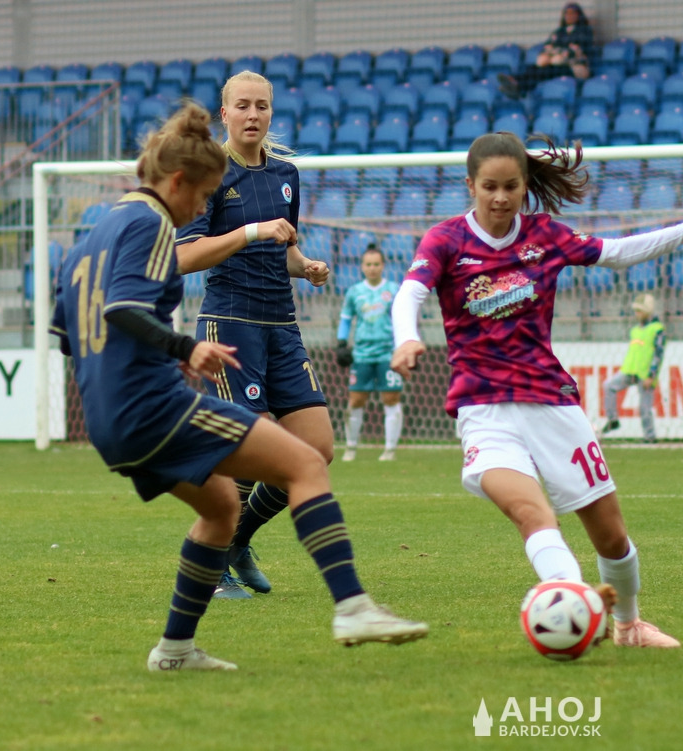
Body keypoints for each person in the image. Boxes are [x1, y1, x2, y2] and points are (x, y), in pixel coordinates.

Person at [49, 102, 428, 671]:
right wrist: (185, 349)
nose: (201, 209)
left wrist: (130, 367)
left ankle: (175, 651)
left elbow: (67, 334)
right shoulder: (149, 223)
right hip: (151, 406)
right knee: (306, 463)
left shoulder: (93, 235)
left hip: (108, 418)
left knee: (222, 509)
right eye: (203, 197)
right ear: (178, 181)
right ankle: (353, 607)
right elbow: (123, 308)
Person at [390, 132, 683, 647]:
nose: (500, 198)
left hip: (552, 403)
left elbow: (617, 253)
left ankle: (629, 625)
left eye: (511, 187)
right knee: (531, 513)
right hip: (484, 410)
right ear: (471, 185)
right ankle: (574, 601)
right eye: (489, 187)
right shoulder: (446, 241)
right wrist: (407, 338)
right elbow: (410, 294)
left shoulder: (544, 236)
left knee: (612, 537)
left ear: (525, 186)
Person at [175, 70, 334, 599]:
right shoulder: (210, 173)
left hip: (281, 325)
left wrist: (305, 266)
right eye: (242, 105)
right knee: (249, 445)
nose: (252, 115)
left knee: (316, 450)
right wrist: (250, 232)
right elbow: (184, 256)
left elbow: (284, 249)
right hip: (230, 324)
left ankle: (237, 540)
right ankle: (211, 562)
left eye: (261, 106)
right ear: (224, 114)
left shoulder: (286, 174)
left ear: (271, 112)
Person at [335, 244, 404, 462]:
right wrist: (342, 343)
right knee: (356, 399)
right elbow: (346, 319)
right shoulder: (354, 292)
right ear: (362, 267)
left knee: (391, 398)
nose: (372, 268)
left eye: (376, 264)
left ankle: (390, 450)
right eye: (368, 264)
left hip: (388, 353)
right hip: (362, 354)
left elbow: (403, 318)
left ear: (383, 266)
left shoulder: (394, 290)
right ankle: (351, 447)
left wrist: (405, 344)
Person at [600, 293, 664, 443]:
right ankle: (613, 420)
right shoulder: (635, 330)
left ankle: (650, 437)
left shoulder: (657, 329)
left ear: (647, 311)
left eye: (639, 311)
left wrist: (652, 375)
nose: (637, 314)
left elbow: (658, 354)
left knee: (644, 407)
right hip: (629, 370)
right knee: (608, 386)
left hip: (645, 373)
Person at [497, 3, 596, 99]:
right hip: (557, 64)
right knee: (533, 68)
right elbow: (548, 47)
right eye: (567, 13)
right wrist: (558, 52)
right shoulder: (559, 32)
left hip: (575, 68)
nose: (569, 16)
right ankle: (515, 81)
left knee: (546, 71)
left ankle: (519, 87)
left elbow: (575, 51)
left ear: (578, 15)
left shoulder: (584, 31)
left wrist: (557, 52)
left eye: (572, 13)